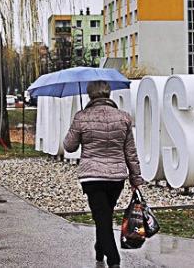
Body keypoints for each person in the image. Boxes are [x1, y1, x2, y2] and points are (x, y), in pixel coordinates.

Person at [64, 80, 145, 268]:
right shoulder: (123, 117)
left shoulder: (81, 117)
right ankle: (100, 249)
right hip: (116, 178)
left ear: (90, 96)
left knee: (102, 218)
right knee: (104, 216)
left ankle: (113, 260)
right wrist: (136, 178)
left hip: (92, 178)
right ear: (109, 94)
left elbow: (69, 146)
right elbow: (130, 152)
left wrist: (78, 126)